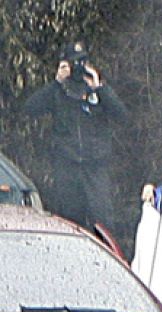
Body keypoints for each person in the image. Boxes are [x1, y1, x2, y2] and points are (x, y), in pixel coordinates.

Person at [23, 41, 128, 232]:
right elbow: (30, 108)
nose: (78, 68)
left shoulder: (96, 91)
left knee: (102, 218)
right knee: (70, 219)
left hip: (95, 166)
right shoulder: (58, 92)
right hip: (67, 166)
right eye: (74, 63)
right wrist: (56, 82)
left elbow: (122, 116)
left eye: (82, 62)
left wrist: (100, 88)